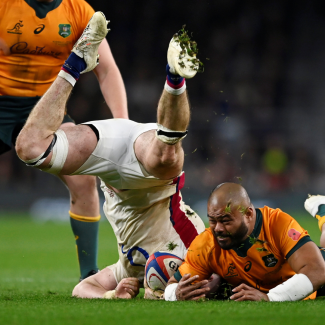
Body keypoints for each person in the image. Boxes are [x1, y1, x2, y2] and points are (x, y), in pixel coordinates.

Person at [15, 12, 206, 299]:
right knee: (166, 158)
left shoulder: (129, 269)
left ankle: (76, 62)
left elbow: (83, 288)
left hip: (111, 166)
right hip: (147, 170)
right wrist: (179, 292)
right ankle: (174, 78)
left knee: (30, 149)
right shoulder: (195, 248)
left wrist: (111, 295)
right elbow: (214, 281)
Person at [0, 0, 128, 280]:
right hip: (2, 102)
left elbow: (106, 70)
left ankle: (89, 276)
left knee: (83, 180)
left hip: (46, 111)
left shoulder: (79, 11)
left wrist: (123, 126)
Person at [164, 182, 325, 302]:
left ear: (248, 214)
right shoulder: (205, 244)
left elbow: (317, 271)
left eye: (225, 220)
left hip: (306, 280)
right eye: (212, 220)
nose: (218, 228)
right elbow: (172, 285)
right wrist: (176, 294)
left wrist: (269, 297)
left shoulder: (277, 224)